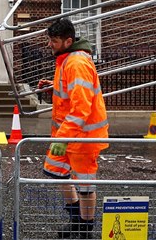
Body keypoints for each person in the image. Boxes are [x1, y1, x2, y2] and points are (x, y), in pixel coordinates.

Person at [38, 18, 109, 239]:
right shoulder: (66, 59)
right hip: (69, 135)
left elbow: (81, 107)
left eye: (55, 41)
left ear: (68, 41)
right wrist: (54, 86)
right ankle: (77, 220)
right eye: (50, 40)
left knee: (86, 187)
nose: (50, 44)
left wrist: (63, 138)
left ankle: (84, 230)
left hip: (83, 137)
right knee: (57, 173)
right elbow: (73, 93)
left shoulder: (76, 63)